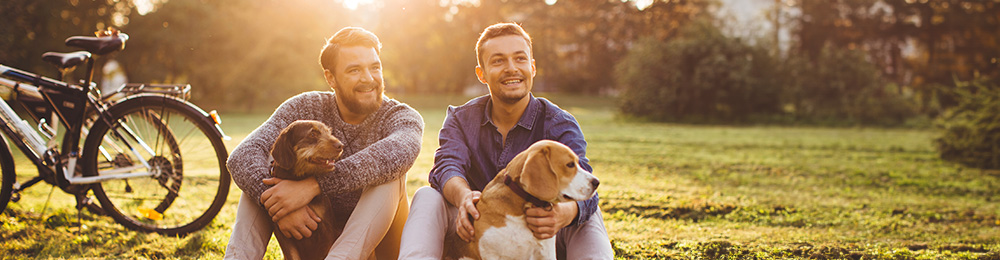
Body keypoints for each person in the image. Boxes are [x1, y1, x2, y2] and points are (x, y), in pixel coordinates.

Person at [398, 22, 613, 259]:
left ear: (532, 67)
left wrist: (565, 213)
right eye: (498, 61)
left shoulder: (559, 122)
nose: (512, 68)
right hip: (474, 224)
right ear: (482, 74)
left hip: (547, 225)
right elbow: (447, 166)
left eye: (520, 59)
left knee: (587, 207)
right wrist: (464, 198)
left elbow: (583, 175)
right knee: (427, 196)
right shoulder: (461, 118)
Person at [224, 27, 423, 259]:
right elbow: (242, 156)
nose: (368, 78)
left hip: (375, 251)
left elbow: (398, 154)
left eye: (375, 67)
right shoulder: (304, 107)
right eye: (354, 70)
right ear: (331, 78)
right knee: (266, 164)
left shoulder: (400, 116)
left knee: (391, 174)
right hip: (311, 242)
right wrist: (277, 203)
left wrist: (313, 186)